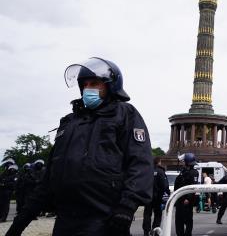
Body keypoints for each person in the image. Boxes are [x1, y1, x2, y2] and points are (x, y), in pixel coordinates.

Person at [6, 57, 154, 236]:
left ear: (110, 86)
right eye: (85, 84)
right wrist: (19, 223)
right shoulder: (69, 122)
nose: (88, 88)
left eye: (95, 83)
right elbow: (50, 178)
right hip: (65, 221)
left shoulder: (125, 114)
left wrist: (127, 207)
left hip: (105, 220)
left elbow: (140, 162)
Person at [143, 157, 170, 236]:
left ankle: (146, 232)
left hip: (148, 196)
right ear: (159, 162)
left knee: (147, 215)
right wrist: (166, 195)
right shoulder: (161, 171)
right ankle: (155, 231)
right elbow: (164, 185)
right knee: (158, 215)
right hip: (158, 197)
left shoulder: (147, 171)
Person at [174, 153, 200, 236]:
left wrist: (188, 199)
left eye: (183, 161)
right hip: (179, 198)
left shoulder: (194, 172)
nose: (182, 163)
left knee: (188, 219)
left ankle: (188, 234)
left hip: (187, 200)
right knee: (179, 220)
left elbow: (193, 187)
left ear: (186, 162)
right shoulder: (183, 171)